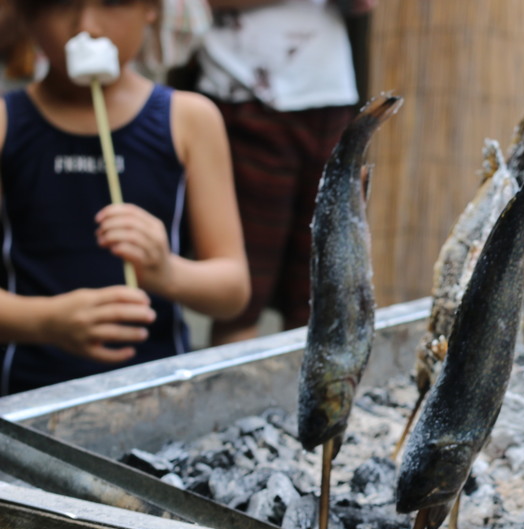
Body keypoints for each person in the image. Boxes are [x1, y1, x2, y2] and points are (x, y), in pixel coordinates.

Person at [0, 0, 249, 395]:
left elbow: (233, 291)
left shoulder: (189, 119)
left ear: (151, 8)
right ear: (29, 14)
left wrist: (167, 271)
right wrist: (47, 321)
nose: (87, 26)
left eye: (113, 2)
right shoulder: (6, 122)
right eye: (63, 4)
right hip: (28, 396)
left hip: (159, 394)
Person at [198, 0, 375, 346]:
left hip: (329, 94)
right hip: (244, 96)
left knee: (318, 297)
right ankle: (235, 397)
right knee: (243, 297)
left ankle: (304, 399)